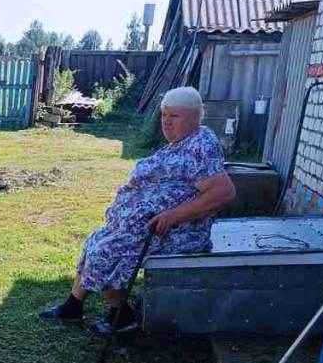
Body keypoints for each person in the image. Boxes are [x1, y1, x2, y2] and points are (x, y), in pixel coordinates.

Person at [39, 87, 236, 334]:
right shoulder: (183, 142)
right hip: (144, 228)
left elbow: (223, 192)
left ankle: (121, 316)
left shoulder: (201, 147)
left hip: (175, 233)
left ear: (194, 118)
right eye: (164, 114)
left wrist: (173, 216)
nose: (165, 121)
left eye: (174, 116)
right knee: (95, 242)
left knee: (105, 252)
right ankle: (73, 306)